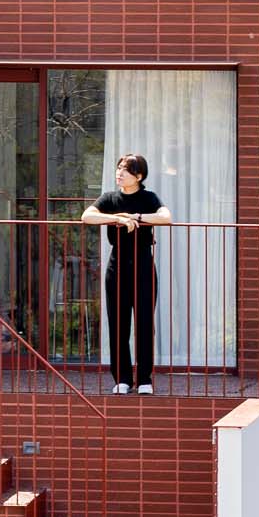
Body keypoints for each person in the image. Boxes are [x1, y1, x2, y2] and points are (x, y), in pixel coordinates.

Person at [83, 154, 171, 392]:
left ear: (139, 176)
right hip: (117, 266)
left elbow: (166, 217)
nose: (119, 173)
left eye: (125, 170)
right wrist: (117, 219)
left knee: (144, 323)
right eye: (118, 169)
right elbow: (87, 216)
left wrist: (136, 217)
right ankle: (121, 379)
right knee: (118, 324)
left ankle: (144, 379)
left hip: (143, 265)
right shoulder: (110, 198)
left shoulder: (148, 197)